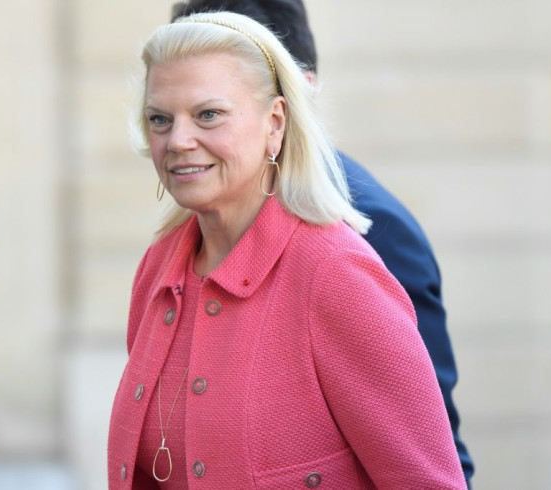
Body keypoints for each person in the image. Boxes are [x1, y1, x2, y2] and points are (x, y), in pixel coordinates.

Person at [108, 10, 467, 489]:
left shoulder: (337, 273)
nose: (178, 140)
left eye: (208, 114)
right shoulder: (158, 268)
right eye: (160, 119)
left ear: (274, 122)